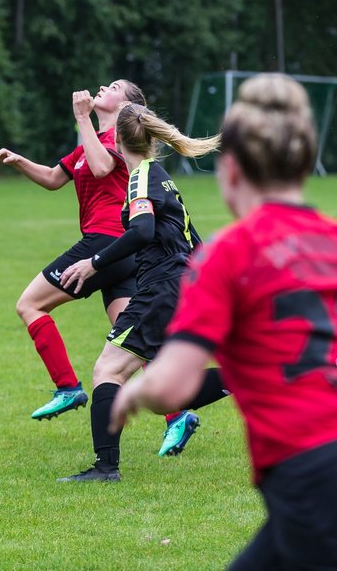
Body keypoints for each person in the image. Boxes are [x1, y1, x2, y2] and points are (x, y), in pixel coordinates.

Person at [111, 74, 337, 567]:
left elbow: (174, 382)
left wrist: (136, 391)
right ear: (306, 166)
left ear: (232, 173)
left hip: (321, 476)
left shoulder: (226, 256)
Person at [56, 101, 232, 482]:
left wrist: (94, 262)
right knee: (168, 392)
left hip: (163, 288)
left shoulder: (141, 178)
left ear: (116, 139)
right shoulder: (160, 175)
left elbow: (141, 232)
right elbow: (190, 237)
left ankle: (105, 468)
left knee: (108, 368)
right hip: (180, 286)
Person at [0, 81, 145, 421]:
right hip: (119, 251)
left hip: (104, 242)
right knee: (133, 337)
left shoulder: (122, 138)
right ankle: (177, 416)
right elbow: (51, 178)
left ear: (127, 105)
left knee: (30, 304)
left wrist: (81, 118)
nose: (104, 86)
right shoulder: (89, 143)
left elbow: (103, 167)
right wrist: (17, 160)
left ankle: (67, 387)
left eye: (114, 86)